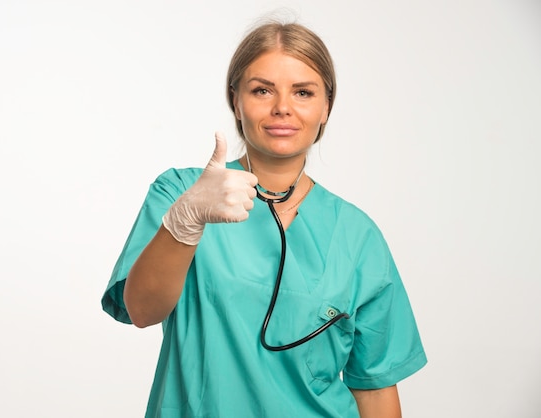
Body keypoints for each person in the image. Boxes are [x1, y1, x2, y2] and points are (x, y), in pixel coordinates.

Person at [102, 20, 427, 418]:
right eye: (262, 90)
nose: (282, 108)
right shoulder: (180, 194)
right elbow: (142, 310)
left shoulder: (358, 237)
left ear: (326, 106)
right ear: (235, 99)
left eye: (303, 92)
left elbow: (375, 389)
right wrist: (185, 222)